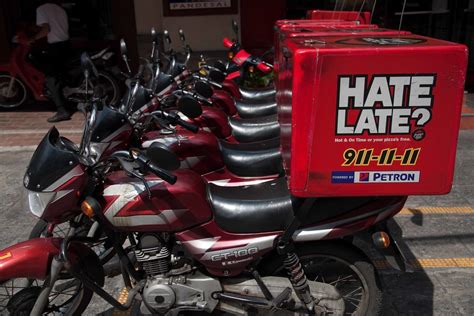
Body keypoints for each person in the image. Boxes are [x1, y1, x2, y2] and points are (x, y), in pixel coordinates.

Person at [29, 0, 71, 122]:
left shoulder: (41, 9)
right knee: (59, 75)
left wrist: (33, 38)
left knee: (50, 78)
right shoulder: (60, 9)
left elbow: (46, 30)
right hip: (66, 45)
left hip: (55, 47)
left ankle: (62, 110)